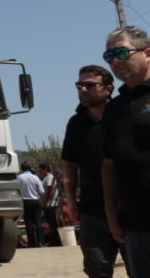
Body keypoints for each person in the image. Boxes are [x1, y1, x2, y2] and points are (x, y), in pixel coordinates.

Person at [62, 64, 120, 278]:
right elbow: (69, 162)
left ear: (108, 89)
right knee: (96, 267)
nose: (83, 90)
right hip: (92, 209)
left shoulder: (122, 115)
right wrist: (70, 197)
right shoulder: (76, 123)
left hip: (129, 207)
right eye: (79, 85)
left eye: (90, 85)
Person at [102, 26, 150, 277]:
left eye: (122, 52)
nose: (115, 61)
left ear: (148, 53)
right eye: (109, 56)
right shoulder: (115, 108)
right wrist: (111, 215)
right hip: (135, 226)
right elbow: (109, 165)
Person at [18, 162, 44, 248]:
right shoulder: (35, 177)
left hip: (25, 202)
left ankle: (31, 243)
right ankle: (40, 242)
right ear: (30, 168)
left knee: (28, 223)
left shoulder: (19, 178)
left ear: (22, 169)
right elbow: (41, 191)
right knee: (38, 222)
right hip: (35, 201)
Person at [39, 163, 62, 246]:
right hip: (49, 204)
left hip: (51, 205)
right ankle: (55, 241)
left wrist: (48, 201)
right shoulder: (47, 178)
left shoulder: (49, 178)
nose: (39, 171)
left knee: (53, 224)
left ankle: (56, 242)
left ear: (44, 169)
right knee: (51, 224)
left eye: (40, 169)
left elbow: (50, 189)